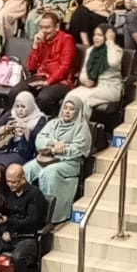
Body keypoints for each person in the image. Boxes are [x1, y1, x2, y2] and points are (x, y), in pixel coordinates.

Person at [23, 96, 92, 225]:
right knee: (25, 170)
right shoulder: (53, 123)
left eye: (71, 109)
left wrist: (62, 149)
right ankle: (25, 210)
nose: (67, 111)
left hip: (69, 163)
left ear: (77, 111)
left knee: (48, 173)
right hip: (47, 158)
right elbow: (39, 140)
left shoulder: (82, 127)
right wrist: (53, 144)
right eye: (65, 108)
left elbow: (79, 149)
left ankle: (50, 215)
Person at [0, 163, 49, 272]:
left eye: (14, 182)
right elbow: (3, 216)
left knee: (17, 256)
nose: (10, 185)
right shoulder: (9, 193)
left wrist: (9, 221)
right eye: (8, 181)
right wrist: (4, 231)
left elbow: (32, 222)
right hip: (10, 235)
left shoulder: (34, 194)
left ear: (22, 178)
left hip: (28, 237)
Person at [0, 92, 47, 182]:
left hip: (20, 153)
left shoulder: (39, 120)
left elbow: (36, 145)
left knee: (3, 169)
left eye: (23, 107)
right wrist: (5, 129)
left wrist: (26, 134)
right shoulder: (10, 114)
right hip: (3, 149)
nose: (19, 110)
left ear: (30, 106)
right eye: (17, 106)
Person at [16, 12, 76, 117]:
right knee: (16, 91)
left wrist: (48, 82)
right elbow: (31, 67)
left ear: (57, 27)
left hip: (61, 81)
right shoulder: (41, 40)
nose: (43, 31)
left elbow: (65, 67)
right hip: (41, 76)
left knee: (43, 97)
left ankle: (37, 121)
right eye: (41, 27)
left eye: (47, 27)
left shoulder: (67, 39)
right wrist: (35, 46)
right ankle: (15, 119)